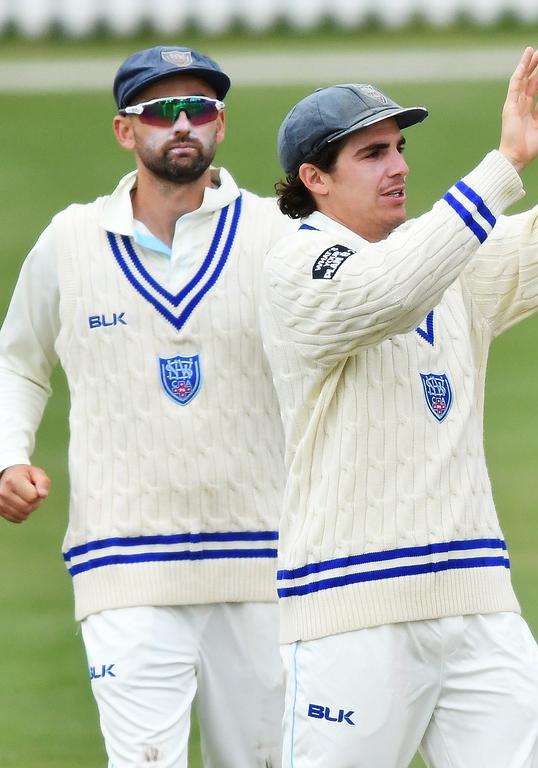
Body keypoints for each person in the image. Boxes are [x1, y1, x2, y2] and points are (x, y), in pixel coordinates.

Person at [260, 40, 538, 767]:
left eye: (397, 147)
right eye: (371, 154)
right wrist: (503, 165)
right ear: (313, 179)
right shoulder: (296, 266)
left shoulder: (445, 252)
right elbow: (386, 294)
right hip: (352, 612)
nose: (399, 167)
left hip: (478, 600)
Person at [0, 46, 294, 766]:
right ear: (125, 132)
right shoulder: (71, 239)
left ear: (221, 126)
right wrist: (8, 454)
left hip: (265, 560)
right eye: (162, 111)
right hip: (124, 560)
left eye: (200, 110)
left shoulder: (273, 234)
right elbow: (17, 359)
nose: (183, 124)